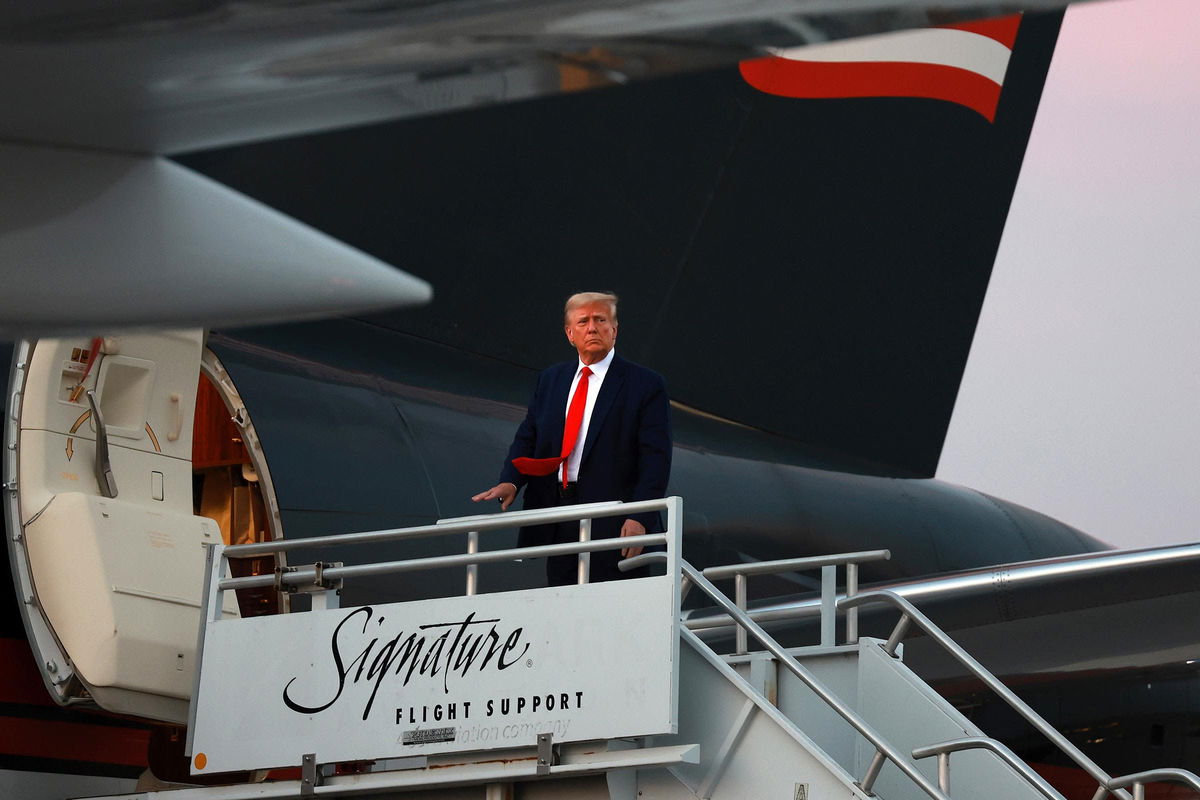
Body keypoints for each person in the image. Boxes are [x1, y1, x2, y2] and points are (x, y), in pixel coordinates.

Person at [472, 291, 672, 585]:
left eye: (600, 320)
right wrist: (511, 479)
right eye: (583, 322)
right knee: (563, 604)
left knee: (615, 613)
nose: (592, 328)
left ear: (614, 330)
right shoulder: (552, 379)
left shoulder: (645, 384)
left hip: (616, 520)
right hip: (560, 514)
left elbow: (655, 458)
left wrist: (640, 516)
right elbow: (529, 435)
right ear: (570, 334)